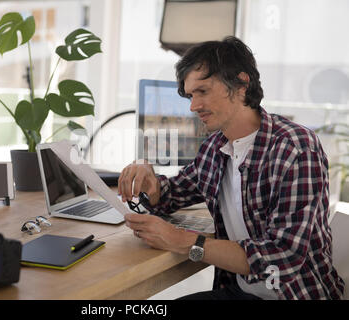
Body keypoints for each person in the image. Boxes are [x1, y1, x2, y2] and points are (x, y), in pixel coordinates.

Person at [118, 36, 345, 300]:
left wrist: (183, 241)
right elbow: (171, 194)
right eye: (191, 95)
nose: (193, 106)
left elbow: (283, 255)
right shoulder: (216, 147)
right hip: (241, 291)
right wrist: (150, 181)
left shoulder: (296, 147)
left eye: (202, 92)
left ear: (241, 84)